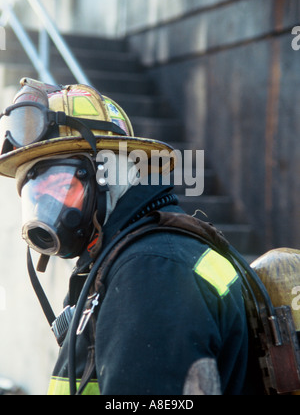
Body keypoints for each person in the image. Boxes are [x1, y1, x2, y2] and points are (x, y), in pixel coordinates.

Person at [0, 78, 259, 396]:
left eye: (58, 186)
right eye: (37, 193)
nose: (46, 208)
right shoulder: (117, 263)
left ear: (110, 175)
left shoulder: (152, 272)